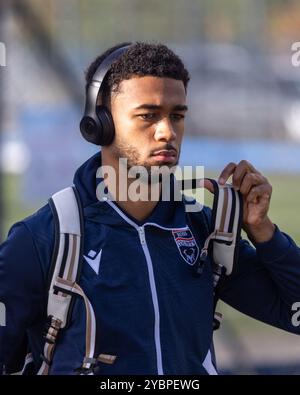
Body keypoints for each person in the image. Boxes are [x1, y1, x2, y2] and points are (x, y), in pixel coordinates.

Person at [0, 41, 300, 375]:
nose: (167, 132)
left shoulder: (205, 231)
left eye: (177, 116)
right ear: (100, 120)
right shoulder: (43, 238)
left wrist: (264, 231)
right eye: (148, 115)